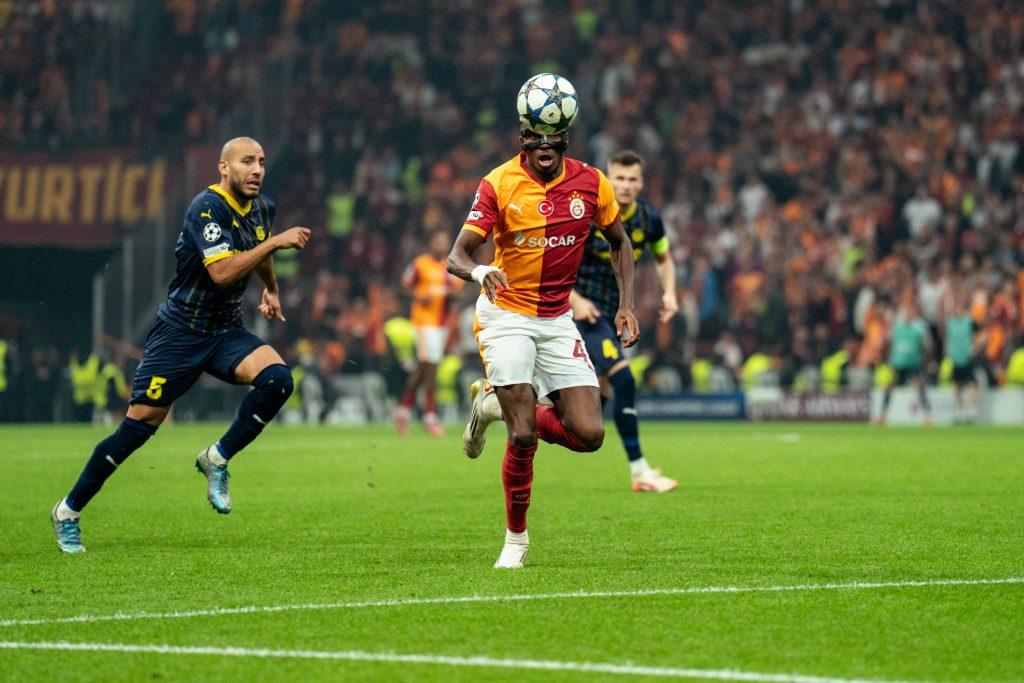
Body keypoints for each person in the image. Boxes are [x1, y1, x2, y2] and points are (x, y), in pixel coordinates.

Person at [50, 137, 311, 553]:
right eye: (247, 161)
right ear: (223, 168)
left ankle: (217, 458)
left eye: (261, 161)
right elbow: (223, 273)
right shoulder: (204, 209)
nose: (258, 169)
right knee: (136, 430)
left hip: (224, 330)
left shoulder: (263, 207)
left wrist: (272, 290)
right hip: (179, 334)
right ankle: (68, 510)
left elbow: (259, 250)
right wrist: (275, 242)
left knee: (278, 380)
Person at [447, 94, 639, 569]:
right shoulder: (498, 184)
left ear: (566, 138)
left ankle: (490, 403)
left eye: (552, 138)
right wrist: (478, 272)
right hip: (506, 314)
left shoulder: (592, 183)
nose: (544, 145)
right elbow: (457, 255)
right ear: (522, 138)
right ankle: (516, 541)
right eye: (535, 138)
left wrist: (626, 305)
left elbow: (620, 243)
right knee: (525, 435)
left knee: (590, 434)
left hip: (555, 320)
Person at [569, 149, 678, 493]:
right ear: (608, 178)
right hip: (582, 313)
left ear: (641, 182)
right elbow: (555, 260)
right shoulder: (588, 214)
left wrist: (670, 293)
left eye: (633, 179)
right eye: (619, 178)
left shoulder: (648, 218)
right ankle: (639, 470)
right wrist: (574, 299)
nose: (626, 185)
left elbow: (663, 258)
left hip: (613, 315)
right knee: (625, 381)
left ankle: (512, 406)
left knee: (590, 401)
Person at [395, 230, 463, 437]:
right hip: (423, 323)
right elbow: (405, 285)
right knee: (431, 367)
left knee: (424, 368)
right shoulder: (420, 264)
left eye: (445, 242)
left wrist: (451, 294)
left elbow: (457, 291)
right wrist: (417, 295)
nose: (443, 245)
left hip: (442, 324)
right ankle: (430, 416)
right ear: (431, 243)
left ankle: (403, 411)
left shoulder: (449, 266)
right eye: (439, 241)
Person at [879, 300, 933, 425]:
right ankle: (882, 415)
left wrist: (925, 359)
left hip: (913, 363)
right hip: (898, 362)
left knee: (919, 387)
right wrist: (890, 357)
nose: (908, 313)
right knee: (889, 387)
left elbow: (928, 345)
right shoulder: (897, 325)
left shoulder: (920, 326)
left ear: (915, 312)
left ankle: (928, 415)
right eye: (906, 310)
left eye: (911, 310)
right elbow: (890, 342)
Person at [944, 291, 980, 421]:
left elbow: (981, 332)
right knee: (957, 385)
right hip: (956, 358)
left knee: (971, 383)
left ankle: (973, 410)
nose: (956, 310)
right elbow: (948, 340)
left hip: (967, 357)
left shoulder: (968, 321)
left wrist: (976, 346)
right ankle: (959, 410)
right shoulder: (950, 323)